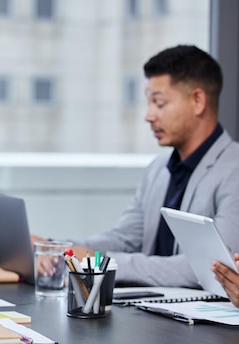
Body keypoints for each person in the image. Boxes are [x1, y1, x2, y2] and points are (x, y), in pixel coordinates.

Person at [34, 45, 239, 288]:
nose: (149, 115)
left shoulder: (233, 169)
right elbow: (125, 239)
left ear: (197, 101)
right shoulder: (158, 169)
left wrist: (100, 262)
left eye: (159, 103)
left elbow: (213, 267)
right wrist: (58, 249)